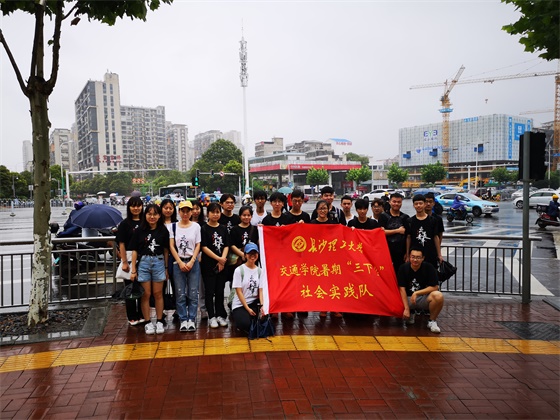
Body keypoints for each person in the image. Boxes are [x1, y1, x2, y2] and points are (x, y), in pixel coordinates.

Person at [130, 203, 170, 335]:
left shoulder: (163, 230)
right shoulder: (139, 231)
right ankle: (148, 322)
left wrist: (166, 267)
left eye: (155, 214)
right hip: (143, 263)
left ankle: (159, 320)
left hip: (159, 262)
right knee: (145, 294)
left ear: (159, 216)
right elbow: (134, 250)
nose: (152, 217)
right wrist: (133, 269)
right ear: (145, 215)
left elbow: (166, 250)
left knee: (158, 294)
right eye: (149, 214)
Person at [169, 201, 201, 332]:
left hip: (193, 262)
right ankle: (183, 319)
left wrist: (192, 261)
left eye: (188, 211)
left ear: (192, 212)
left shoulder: (196, 226)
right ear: (179, 212)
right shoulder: (173, 227)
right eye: (183, 211)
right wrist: (180, 262)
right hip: (178, 263)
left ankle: (192, 318)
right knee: (180, 293)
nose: (185, 213)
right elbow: (171, 246)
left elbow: (198, 244)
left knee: (193, 292)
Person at [398, 247, 444, 333]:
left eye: (418, 257)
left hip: (423, 298)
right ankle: (411, 312)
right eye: (413, 257)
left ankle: (432, 321)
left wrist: (417, 293)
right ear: (409, 257)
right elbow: (402, 289)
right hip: (407, 299)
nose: (415, 260)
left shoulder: (429, 267)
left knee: (438, 295)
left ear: (423, 258)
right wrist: (406, 308)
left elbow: (435, 287)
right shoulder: (403, 268)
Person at [115, 196, 144, 326]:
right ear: (129, 207)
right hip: (129, 257)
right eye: (133, 206)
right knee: (130, 288)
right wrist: (124, 262)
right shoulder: (125, 224)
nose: (136, 208)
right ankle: (132, 315)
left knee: (143, 288)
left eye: (138, 205)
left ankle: (142, 313)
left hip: (144, 258)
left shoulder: (145, 221)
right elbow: (121, 244)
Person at [201, 202, 230, 328]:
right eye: (212, 212)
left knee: (220, 291)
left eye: (218, 212)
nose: (215, 214)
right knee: (209, 291)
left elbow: (227, 245)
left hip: (222, 265)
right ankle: (211, 316)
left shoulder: (223, 228)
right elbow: (204, 247)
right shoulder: (204, 229)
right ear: (208, 214)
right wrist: (218, 259)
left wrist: (222, 259)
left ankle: (220, 315)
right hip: (208, 265)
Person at [231, 242, 265, 334]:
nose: (252, 256)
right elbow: (239, 292)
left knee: (264, 319)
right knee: (245, 324)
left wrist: (262, 306)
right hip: (240, 304)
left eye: (255, 253)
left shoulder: (260, 271)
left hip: (254, 302)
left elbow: (261, 291)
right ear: (245, 255)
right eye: (250, 253)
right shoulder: (239, 270)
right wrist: (247, 308)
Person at [406, 194, 443, 269]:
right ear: (413, 205)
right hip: (415, 256)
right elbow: (408, 237)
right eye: (416, 204)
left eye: (420, 203)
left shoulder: (433, 220)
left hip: (430, 253)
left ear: (425, 204)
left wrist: (439, 254)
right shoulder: (410, 221)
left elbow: (436, 237)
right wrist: (407, 255)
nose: (418, 206)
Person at [384, 193, 410, 275]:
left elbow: (408, 236)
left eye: (399, 202)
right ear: (389, 202)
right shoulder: (383, 216)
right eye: (394, 201)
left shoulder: (405, 217)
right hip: (387, 252)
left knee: (401, 275)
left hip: (401, 253)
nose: (396, 204)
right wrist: (397, 231)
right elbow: (381, 232)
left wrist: (407, 253)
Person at [190, 200, 207, 320]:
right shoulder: (184, 224)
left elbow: (203, 242)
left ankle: (203, 309)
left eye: (197, 209)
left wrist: (200, 255)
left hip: (201, 258)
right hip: (187, 258)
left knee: (201, 285)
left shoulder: (204, 225)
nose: (195, 211)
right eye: (193, 209)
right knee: (188, 286)